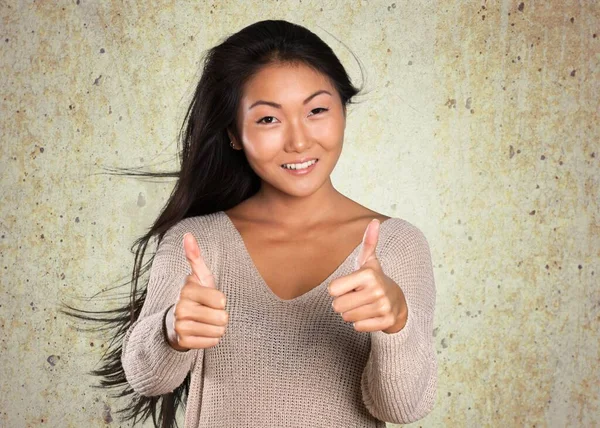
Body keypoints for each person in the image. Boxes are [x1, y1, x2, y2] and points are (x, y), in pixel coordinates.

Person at [66, 19, 437, 428]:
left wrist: (395, 324)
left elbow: (401, 409)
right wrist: (172, 330)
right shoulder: (198, 244)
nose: (298, 141)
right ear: (234, 133)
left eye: (316, 110)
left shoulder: (397, 245)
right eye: (267, 120)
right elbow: (146, 378)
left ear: (342, 111)